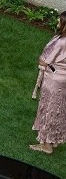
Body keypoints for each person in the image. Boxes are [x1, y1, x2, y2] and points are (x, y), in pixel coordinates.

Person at [30, 12, 66, 155]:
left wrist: (42, 60)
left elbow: (44, 60)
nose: (57, 23)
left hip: (54, 79)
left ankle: (47, 146)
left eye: (60, 21)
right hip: (63, 80)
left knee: (50, 110)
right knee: (59, 109)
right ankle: (53, 140)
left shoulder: (61, 42)